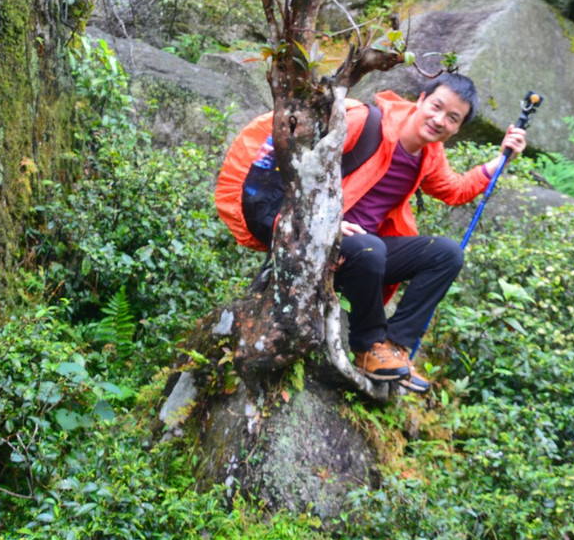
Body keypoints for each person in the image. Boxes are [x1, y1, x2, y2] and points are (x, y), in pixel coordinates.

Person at [214, 72, 526, 394]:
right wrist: (315, 223)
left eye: (452, 118)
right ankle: (367, 346)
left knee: (446, 254)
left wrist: (500, 159)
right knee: (370, 248)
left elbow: (454, 189)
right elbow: (292, 159)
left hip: (363, 254)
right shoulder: (363, 122)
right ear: (420, 99)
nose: (439, 120)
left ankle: (393, 349)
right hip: (319, 241)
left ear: (457, 129)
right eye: (436, 106)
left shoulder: (430, 155)